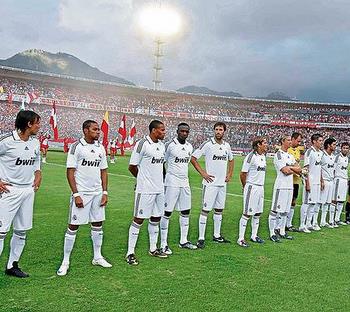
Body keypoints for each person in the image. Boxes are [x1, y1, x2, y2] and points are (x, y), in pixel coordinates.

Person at [57, 120, 111, 276]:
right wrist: (76, 194)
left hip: (97, 193)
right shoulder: (76, 147)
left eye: (99, 130)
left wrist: (105, 192)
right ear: (85, 130)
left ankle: (97, 257)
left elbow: (104, 171)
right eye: (95, 129)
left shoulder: (100, 147)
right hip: (82, 193)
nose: (98, 132)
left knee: (98, 224)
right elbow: (70, 171)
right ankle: (65, 261)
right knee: (73, 226)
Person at [0, 110, 41, 278]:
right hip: (9, 191)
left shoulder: (35, 142)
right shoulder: (6, 141)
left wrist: (38, 173)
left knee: (21, 230)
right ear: (28, 124)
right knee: (1, 232)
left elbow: (36, 159)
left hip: (28, 190)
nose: (39, 126)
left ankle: (12, 265)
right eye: (37, 122)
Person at [126, 120, 167, 265]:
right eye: (161, 130)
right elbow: (132, 166)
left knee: (156, 218)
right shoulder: (142, 144)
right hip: (145, 190)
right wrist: (141, 179)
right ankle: (130, 252)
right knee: (138, 219)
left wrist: (162, 181)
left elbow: (162, 166)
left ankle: (153, 248)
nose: (164, 132)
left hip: (159, 189)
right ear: (154, 130)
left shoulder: (162, 146)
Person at [191, 122, 234, 249]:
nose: (218, 131)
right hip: (210, 184)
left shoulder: (227, 145)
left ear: (224, 131)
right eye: (216, 129)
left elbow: (231, 160)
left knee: (219, 210)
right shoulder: (208, 144)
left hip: (222, 184)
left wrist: (229, 174)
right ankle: (201, 238)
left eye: (221, 129)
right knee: (205, 210)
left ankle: (217, 235)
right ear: (214, 131)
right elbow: (193, 158)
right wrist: (203, 173)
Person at [160, 123, 197, 255]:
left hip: (185, 182)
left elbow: (186, 164)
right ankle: (163, 244)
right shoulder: (170, 146)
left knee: (186, 211)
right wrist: (164, 178)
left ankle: (183, 241)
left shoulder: (189, 146)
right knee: (167, 212)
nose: (184, 134)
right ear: (177, 132)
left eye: (187, 132)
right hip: (171, 182)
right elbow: (162, 162)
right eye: (182, 131)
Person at [268, 136, 301, 242]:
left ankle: (282, 231)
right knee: (275, 210)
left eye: (291, 140)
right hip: (280, 186)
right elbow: (285, 171)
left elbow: (299, 169)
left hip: (289, 186)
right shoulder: (278, 155)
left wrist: (291, 168)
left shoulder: (290, 155)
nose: (290, 142)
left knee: (285, 211)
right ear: (282, 142)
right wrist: (293, 169)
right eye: (288, 140)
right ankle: (272, 233)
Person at [237, 137, 268, 247]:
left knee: (258, 213)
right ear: (259, 145)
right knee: (247, 213)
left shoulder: (263, 156)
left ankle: (254, 236)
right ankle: (240, 239)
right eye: (264, 143)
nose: (266, 144)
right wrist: (246, 187)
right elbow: (243, 173)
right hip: (252, 187)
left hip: (261, 188)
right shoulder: (251, 157)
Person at [299, 134, 324, 233]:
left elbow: (320, 168)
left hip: (317, 182)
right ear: (314, 141)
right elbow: (305, 169)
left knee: (314, 203)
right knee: (306, 203)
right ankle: (302, 225)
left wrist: (321, 180)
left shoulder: (321, 153)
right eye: (320, 140)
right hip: (310, 181)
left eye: (322, 140)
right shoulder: (309, 152)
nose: (321, 142)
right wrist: (307, 183)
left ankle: (309, 224)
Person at [286, 132, 303, 231]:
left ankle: (289, 224)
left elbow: (297, 164)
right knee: (286, 202)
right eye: (298, 141)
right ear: (292, 139)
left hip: (296, 181)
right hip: (288, 180)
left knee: (293, 202)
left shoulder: (297, 150)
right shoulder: (287, 150)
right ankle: (281, 225)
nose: (299, 143)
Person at [319, 138, 336, 228]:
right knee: (320, 202)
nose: (335, 147)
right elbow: (319, 169)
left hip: (331, 181)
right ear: (328, 145)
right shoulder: (322, 155)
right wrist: (321, 180)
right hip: (324, 181)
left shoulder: (333, 156)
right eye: (333, 145)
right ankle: (314, 222)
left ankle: (323, 221)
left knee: (327, 202)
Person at [333, 142, 349, 225]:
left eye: (347, 148)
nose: (345, 150)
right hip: (338, 180)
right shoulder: (337, 157)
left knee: (342, 200)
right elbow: (333, 169)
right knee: (335, 200)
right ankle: (332, 220)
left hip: (344, 181)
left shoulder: (347, 158)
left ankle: (337, 219)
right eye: (344, 148)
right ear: (341, 148)